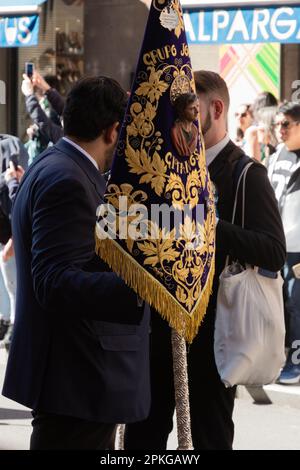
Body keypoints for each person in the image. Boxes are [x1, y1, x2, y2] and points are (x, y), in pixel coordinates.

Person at [124, 71, 286, 450]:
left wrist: (209, 226)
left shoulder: (247, 173)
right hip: (158, 333)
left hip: (214, 338)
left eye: (188, 113)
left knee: (209, 438)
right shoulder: (165, 169)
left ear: (215, 108)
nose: (179, 123)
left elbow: (272, 251)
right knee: (141, 438)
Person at [2, 76, 150, 450]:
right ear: (114, 130)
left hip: (74, 377)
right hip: (77, 377)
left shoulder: (58, 164)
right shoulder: (67, 178)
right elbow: (54, 280)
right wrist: (143, 282)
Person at [268, 102, 300, 384]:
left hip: (298, 247)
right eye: (277, 124)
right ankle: (284, 358)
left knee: (296, 304)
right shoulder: (278, 154)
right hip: (277, 243)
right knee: (281, 303)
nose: (280, 130)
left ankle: (296, 362)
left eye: (286, 124)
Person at [170, 92, 199, 156]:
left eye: (197, 106)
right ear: (182, 111)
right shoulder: (176, 131)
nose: (197, 111)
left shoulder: (195, 130)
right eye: (192, 108)